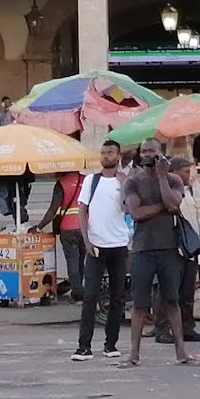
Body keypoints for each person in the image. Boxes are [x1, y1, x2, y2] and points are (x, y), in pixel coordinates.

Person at [121, 139, 200, 367]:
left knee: (172, 301)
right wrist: (162, 208)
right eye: (144, 151)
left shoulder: (174, 180)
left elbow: (174, 204)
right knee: (139, 304)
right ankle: (133, 354)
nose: (147, 155)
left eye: (151, 151)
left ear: (161, 154)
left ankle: (181, 352)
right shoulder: (132, 182)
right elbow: (136, 213)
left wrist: (163, 177)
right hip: (142, 249)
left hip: (169, 249)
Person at [72, 141, 129, 361]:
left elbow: (127, 209)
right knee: (90, 296)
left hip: (119, 245)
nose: (106, 156)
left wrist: (124, 185)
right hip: (95, 246)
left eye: (110, 153)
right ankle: (83, 346)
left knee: (117, 296)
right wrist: (86, 240)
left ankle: (111, 344)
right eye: (103, 153)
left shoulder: (125, 181)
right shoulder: (91, 180)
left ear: (118, 155)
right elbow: (82, 209)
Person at [154, 158, 200, 344]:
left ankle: (187, 327)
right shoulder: (167, 190)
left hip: (189, 247)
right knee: (168, 290)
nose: (189, 176)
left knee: (187, 290)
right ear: (174, 171)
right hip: (172, 246)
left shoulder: (189, 189)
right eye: (185, 172)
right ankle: (162, 328)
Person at [30, 171, 85, 302]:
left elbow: (53, 210)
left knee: (72, 261)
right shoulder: (86, 180)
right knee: (80, 261)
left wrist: (38, 227)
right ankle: (79, 290)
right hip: (85, 227)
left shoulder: (62, 184)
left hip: (68, 228)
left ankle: (77, 294)